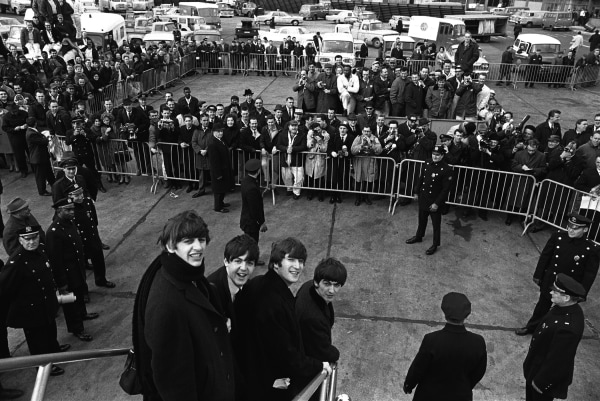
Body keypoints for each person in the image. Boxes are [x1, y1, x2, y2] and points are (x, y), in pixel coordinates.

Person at [133, 210, 235, 401]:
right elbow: (174, 383)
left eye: (202, 239)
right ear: (170, 246)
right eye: (188, 241)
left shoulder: (186, 275)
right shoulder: (167, 303)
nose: (198, 247)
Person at [234, 237, 330, 401]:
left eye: (301, 261)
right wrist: (320, 365)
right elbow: (288, 356)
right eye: (291, 260)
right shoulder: (276, 302)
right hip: (266, 389)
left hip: (246, 379)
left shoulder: (256, 283)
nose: (298, 266)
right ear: (276, 264)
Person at [0, 225, 69, 376]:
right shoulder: (16, 263)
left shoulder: (42, 250)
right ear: (20, 240)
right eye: (27, 239)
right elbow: (4, 289)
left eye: (34, 238)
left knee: (50, 331)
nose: (31, 242)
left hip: (46, 303)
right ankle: (43, 366)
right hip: (30, 310)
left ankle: (54, 351)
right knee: (38, 341)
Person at [515, 213, 599, 336]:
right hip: (551, 281)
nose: (571, 230)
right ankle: (532, 327)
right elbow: (545, 257)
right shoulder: (558, 237)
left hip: (570, 287)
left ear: (585, 229)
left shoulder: (591, 248)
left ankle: (553, 333)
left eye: (575, 228)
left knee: (563, 312)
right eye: (570, 226)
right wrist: (538, 275)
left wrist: (582, 292)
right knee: (541, 307)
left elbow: (589, 273)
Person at [403, 292, 487, 400]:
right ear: (466, 314)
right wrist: (465, 386)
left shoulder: (432, 340)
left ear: (445, 312)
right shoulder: (478, 342)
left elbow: (418, 368)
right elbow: (479, 372)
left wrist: (409, 385)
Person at [523, 274, 586, 401]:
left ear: (566, 297)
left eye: (555, 291)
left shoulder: (569, 328)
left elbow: (558, 362)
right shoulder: (562, 307)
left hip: (543, 381)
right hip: (535, 368)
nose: (551, 292)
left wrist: (540, 383)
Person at [46, 198, 97, 342]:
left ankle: (83, 314)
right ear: (59, 211)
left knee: (79, 296)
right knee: (69, 304)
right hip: (66, 276)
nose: (72, 212)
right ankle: (76, 328)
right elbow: (55, 261)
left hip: (76, 270)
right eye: (68, 210)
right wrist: (61, 283)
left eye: (72, 209)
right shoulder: (54, 232)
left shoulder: (69, 223)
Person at [295, 257, 347, 370]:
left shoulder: (309, 286)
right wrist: (335, 354)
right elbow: (322, 351)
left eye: (336, 285)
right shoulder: (312, 318)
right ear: (316, 282)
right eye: (327, 284)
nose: (332, 290)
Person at [206, 234, 260, 334]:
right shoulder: (210, 292)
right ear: (226, 261)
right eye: (238, 261)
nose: (244, 268)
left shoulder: (248, 287)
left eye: (249, 263)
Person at [405, 145, 453, 255]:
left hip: (435, 200)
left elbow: (445, 190)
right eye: (433, 154)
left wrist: (436, 203)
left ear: (442, 156)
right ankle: (419, 236)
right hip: (424, 197)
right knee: (422, 219)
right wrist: (416, 192)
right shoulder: (427, 163)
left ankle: (435, 244)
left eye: (437, 155)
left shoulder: (446, 169)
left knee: (436, 224)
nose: (435, 157)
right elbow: (421, 178)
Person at [67, 183, 115, 289]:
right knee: (80, 268)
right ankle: (83, 291)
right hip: (79, 241)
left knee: (99, 260)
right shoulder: (68, 209)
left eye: (81, 194)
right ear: (70, 196)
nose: (80, 197)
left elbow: (94, 218)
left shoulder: (87, 202)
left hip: (92, 237)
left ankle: (101, 280)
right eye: (76, 196)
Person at [240, 159, 267, 246]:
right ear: (258, 171)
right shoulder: (252, 188)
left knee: (249, 243)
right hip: (251, 223)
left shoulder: (245, 181)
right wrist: (261, 222)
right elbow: (254, 208)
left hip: (246, 220)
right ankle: (252, 259)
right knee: (252, 244)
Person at [25, 117, 55, 196]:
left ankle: (54, 186)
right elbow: (43, 141)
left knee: (49, 173)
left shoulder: (31, 131)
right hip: (38, 158)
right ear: (35, 123)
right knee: (41, 176)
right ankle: (42, 191)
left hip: (42, 157)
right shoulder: (31, 133)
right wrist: (46, 138)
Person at [207, 123, 233, 213]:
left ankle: (221, 203)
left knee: (222, 189)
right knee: (218, 190)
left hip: (224, 169)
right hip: (218, 172)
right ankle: (218, 207)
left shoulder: (221, 141)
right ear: (214, 132)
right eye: (219, 131)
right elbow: (214, 162)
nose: (221, 133)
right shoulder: (213, 144)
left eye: (221, 131)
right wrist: (218, 174)